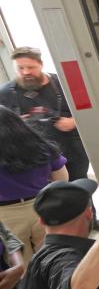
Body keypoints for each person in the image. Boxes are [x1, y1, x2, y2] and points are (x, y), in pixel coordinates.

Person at [0, 47, 90, 183]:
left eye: (31, 67)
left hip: (73, 151)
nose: (26, 72)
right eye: (20, 68)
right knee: (51, 197)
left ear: (41, 64)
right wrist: (16, 124)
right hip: (35, 158)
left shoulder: (65, 83)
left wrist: (74, 121)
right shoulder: (5, 93)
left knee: (80, 190)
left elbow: (90, 111)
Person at [0, 107, 68, 261]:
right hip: (42, 206)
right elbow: (62, 178)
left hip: (6, 216)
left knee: (21, 266)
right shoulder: (39, 145)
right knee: (53, 258)